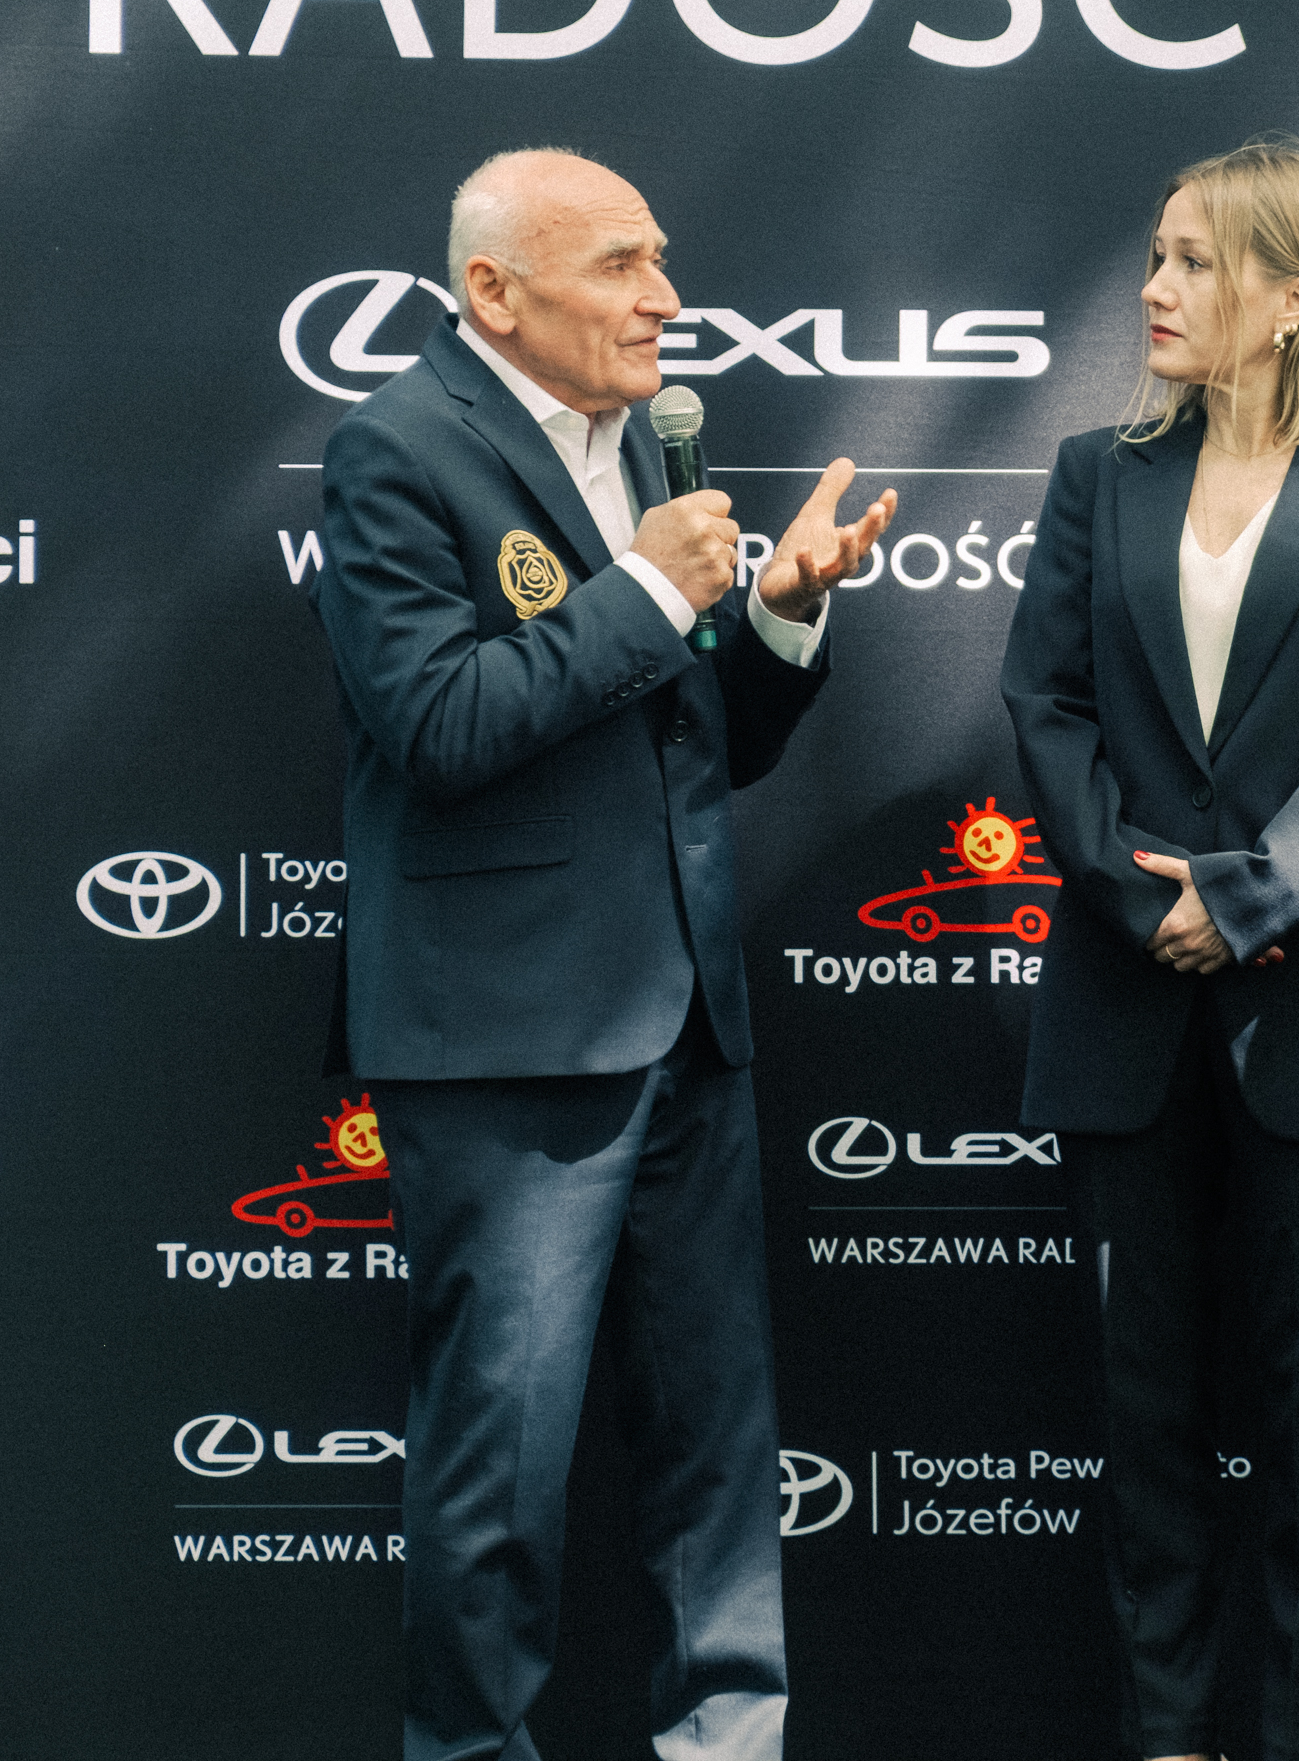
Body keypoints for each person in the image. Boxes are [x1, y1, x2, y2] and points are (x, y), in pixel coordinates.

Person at [314, 147, 894, 1761]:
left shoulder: (640, 445)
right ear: (495, 292)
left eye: (661, 261)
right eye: (622, 266)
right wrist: (646, 590)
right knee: (497, 1476)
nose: (665, 300)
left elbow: (696, 743)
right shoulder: (396, 451)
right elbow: (439, 727)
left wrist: (776, 615)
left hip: (689, 1025)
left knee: (719, 1462)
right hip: (508, 1045)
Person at [1001, 139, 1299, 1761]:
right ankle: (1174, 1742)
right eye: (1157, 254)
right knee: (1144, 1426)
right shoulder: (1095, 474)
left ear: (1294, 298)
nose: (1154, 287)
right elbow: (1045, 704)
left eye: (1193, 261)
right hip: (1123, 1007)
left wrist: (1257, 896)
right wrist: (1145, 902)